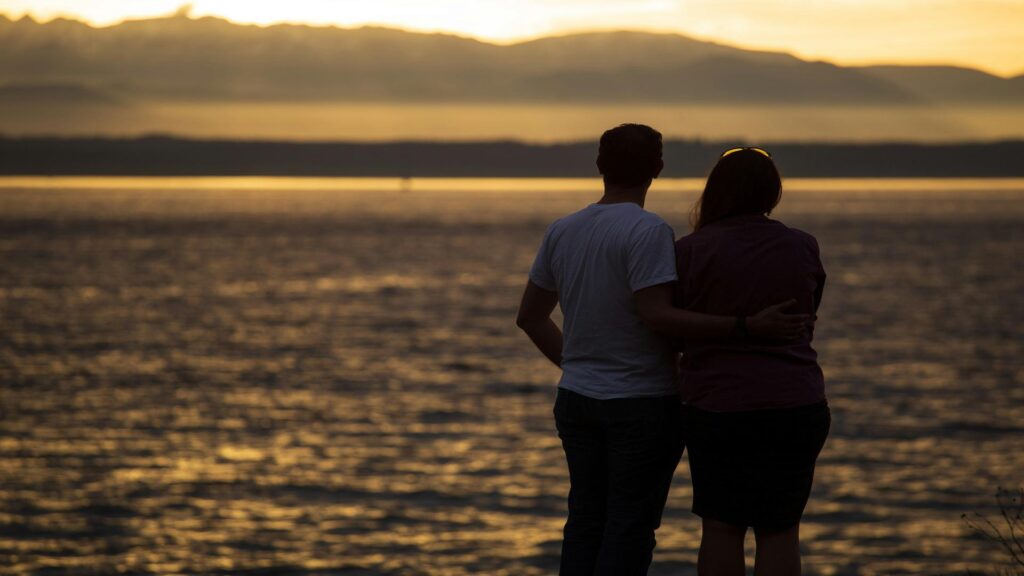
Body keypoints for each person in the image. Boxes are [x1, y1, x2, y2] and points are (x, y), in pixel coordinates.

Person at [515, 125, 811, 576]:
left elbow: (530, 317)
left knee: (585, 520)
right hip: (641, 402)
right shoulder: (649, 230)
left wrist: (577, 365)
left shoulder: (563, 229)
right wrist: (745, 326)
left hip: (577, 399)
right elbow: (657, 315)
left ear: (599, 166)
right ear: (657, 168)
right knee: (629, 527)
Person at [673, 147, 830, 576]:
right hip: (795, 403)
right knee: (780, 530)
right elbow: (808, 312)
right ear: (772, 193)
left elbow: (674, 328)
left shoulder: (688, 251)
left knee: (721, 528)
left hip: (717, 405)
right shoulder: (802, 246)